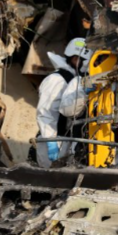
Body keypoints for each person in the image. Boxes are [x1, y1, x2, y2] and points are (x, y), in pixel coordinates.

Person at [35, 37, 93, 168]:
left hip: (69, 141)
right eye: (82, 61)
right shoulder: (57, 80)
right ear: (74, 59)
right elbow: (46, 112)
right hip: (56, 141)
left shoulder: (77, 80)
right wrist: (51, 141)